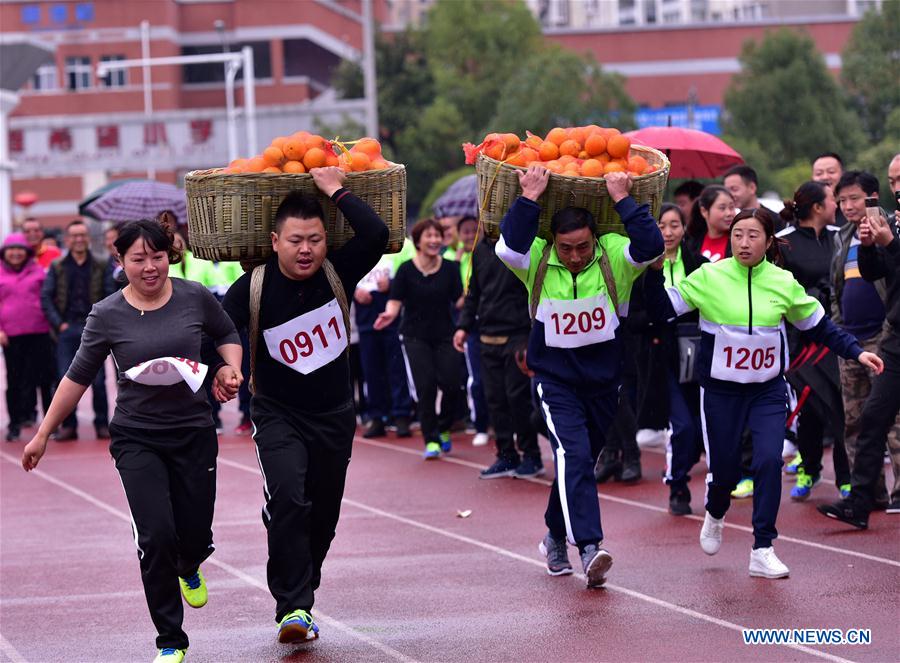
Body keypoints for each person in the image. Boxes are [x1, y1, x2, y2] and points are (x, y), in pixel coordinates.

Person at [22, 218, 243, 663]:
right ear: (120, 260)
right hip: (137, 437)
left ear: (169, 256)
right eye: (138, 259)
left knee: (195, 533)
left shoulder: (193, 297)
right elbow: (77, 377)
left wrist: (228, 368)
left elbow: (226, 334)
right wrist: (43, 433)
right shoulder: (107, 314)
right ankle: (169, 640)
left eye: (157, 257)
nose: (150, 267)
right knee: (156, 535)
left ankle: (191, 561)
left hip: (194, 431)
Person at [645, 207, 882, 579]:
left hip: (767, 391)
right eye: (738, 235)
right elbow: (661, 311)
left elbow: (819, 326)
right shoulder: (710, 276)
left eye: (753, 235)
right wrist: (654, 273)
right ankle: (716, 509)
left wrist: (857, 351)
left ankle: (763, 547)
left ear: (769, 241)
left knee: (769, 461)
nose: (744, 243)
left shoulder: (782, 282)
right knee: (723, 472)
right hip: (721, 393)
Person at [223, 167, 388, 644]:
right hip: (277, 413)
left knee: (323, 516)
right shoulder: (252, 287)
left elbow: (376, 232)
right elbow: (222, 331)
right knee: (291, 499)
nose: (306, 250)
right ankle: (293, 606)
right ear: (275, 241)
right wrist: (226, 367)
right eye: (296, 240)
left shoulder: (339, 269)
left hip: (335, 414)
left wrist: (334, 189)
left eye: (315, 239)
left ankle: (302, 579)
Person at [497, 165, 664, 588]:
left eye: (582, 247)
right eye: (567, 248)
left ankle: (553, 536)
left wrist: (624, 200)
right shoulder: (535, 259)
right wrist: (529, 197)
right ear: (553, 243)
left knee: (581, 463)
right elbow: (509, 246)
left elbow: (651, 245)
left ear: (594, 238)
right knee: (571, 455)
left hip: (605, 383)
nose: (575, 256)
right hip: (555, 383)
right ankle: (589, 546)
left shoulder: (612, 257)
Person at [819, 186, 900, 526]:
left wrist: (890, 244)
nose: (897, 191)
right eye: (896, 184)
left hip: (884, 334)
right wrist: (869, 246)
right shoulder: (892, 224)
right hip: (895, 339)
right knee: (872, 417)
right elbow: (874, 271)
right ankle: (861, 502)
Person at [775, 182, 850, 500]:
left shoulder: (839, 237)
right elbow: (778, 290)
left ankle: (847, 478)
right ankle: (809, 468)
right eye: (834, 199)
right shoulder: (783, 243)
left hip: (838, 334)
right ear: (818, 207)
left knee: (841, 408)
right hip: (801, 340)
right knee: (811, 407)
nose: (838, 204)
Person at [631, 204, 706, 514]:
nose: (669, 232)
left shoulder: (701, 265)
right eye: (661, 225)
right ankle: (678, 485)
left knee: (701, 430)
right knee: (683, 426)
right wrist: (654, 323)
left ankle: (684, 469)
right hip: (662, 358)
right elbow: (631, 313)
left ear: (685, 228)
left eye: (675, 225)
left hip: (699, 354)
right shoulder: (639, 268)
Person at [454, 220, 542, 479]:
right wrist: (463, 326)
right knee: (495, 399)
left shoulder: (518, 249)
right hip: (487, 336)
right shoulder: (479, 250)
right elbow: (474, 294)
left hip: (517, 334)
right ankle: (506, 455)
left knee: (518, 400)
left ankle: (532, 455)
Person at [374, 218, 463, 459]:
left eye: (438, 236)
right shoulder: (406, 270)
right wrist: (389, 315)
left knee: (452, 383)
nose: (434, 240)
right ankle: (431, 439)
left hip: (445, 334)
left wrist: (475, 291)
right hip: (414, 336)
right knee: (426, 387)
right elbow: (395, 301)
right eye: (429, 236)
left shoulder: (450, 269)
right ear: (418, 241)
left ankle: (444, 427)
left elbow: (459, 301)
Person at [41, 219, 115, 440]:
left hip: (93, 329)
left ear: (88, 239)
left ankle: (102, 423)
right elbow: (46, 296)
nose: (79, 239)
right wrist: (59, 324)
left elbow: (110, 295)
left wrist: (102, 324)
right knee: (65, 379)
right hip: (67, 329)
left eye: (82, 235)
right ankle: (69, 425)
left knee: (99, 381)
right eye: (74, 236)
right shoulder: (58, 266)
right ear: (67, 239)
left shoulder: (102, 263)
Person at [0, 233, 55, 441]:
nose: (15, 253)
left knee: (45, 380)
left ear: (27, 252)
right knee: (14, 381)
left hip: (39, 333)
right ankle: (14, 424)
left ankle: (50, 426)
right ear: (5, 253)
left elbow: (49, 299)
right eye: (11, 249)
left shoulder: (39, 272)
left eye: (19, 249)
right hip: (11, 336)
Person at [354, 252, 413, 438]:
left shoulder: (397, 251)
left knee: (396, 369)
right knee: (371, 372)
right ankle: (377, 417)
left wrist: (392, 284)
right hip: (365, 321)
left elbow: (408, 277)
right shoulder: (357, 252)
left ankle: (402, 416)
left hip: (392, 320)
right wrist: (354, 291)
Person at [455, 215, 490, 446]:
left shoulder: (487, 255)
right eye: (465, 232)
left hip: (491, 322)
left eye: (473, 230)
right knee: (476, 380)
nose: (469, 235)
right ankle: (481, 425)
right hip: (472, 327)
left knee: (499, 381)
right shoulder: (455, 260)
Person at [722, 165, 784, 232]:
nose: (730, 195)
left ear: (752, 188)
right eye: (727, 191)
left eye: (734, 189)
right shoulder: (731, 222)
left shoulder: (774, 221)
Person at [685, 185, 735, 264]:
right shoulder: (691, 243)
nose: (729, 213)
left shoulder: (738, 242)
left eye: (732, 207)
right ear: (704, 211)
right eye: (722, 208)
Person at [811, 152, 847, 226]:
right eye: (819, 173)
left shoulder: (851, 211)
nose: (825, 177)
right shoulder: (805, 213)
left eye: (831, 172)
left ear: (843, 174)